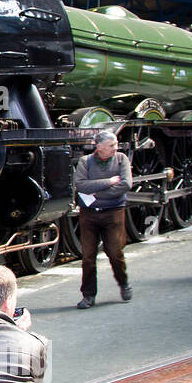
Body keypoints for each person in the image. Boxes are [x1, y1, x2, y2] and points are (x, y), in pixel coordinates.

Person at [73, 130, 133, 309]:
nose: (116, 148)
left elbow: (126, 184)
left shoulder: (122, 159)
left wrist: (96, 193)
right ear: (99, 147)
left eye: (115, 145)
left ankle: (123, 283)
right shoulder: (85, 162)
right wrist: (108, 182)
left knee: (115, 252)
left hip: (114, 212)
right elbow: (81, 185)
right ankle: (88, 295)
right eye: (111, 145)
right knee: (88, 257)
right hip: (89, 214)